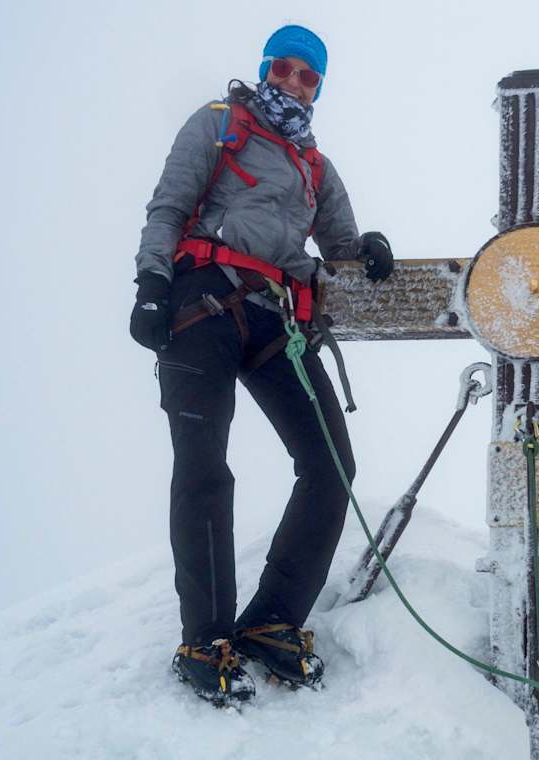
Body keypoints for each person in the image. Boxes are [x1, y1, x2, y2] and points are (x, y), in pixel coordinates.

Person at [130, 24, 395, 706]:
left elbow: (338, 246)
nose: (297, 83)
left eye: (311, 77)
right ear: (267, 68)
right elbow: (170, 204)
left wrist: (368, 245)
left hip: (279, 318)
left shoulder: (315, 166)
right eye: (287, 68)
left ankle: (273, 622)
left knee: (332, 463)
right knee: (204, 467)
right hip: (202, 301)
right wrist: (152, 283)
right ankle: (206, 640)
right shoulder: (220, 124)